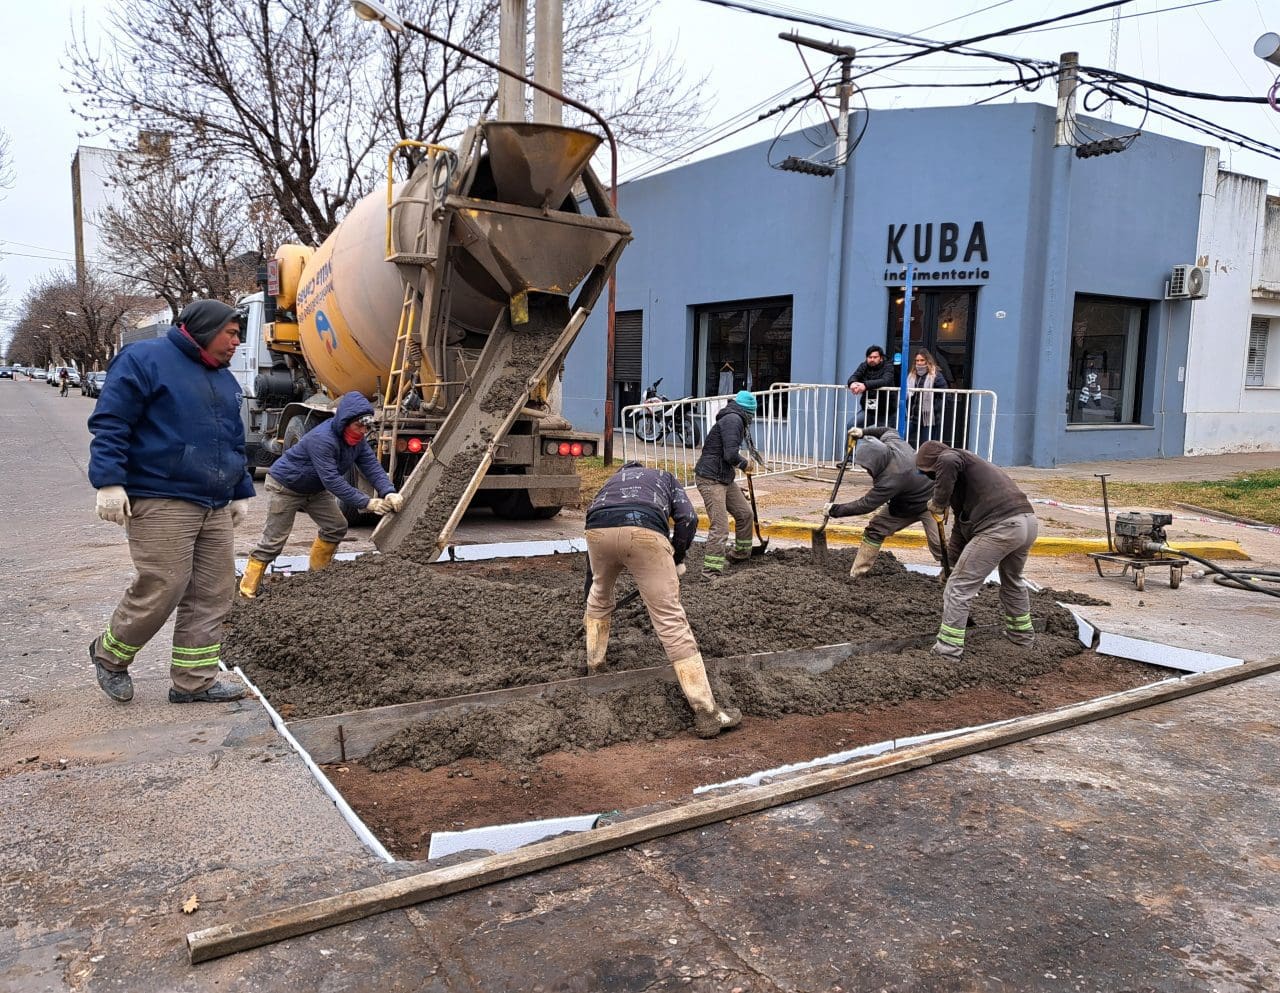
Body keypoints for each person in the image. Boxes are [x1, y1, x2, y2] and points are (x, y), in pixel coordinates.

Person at [88, 299, 253, 704]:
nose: (236, 342)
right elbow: (112, 423)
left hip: (213, 501)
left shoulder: (224, 380)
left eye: (238, 335)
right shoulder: (145, 359)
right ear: (203, 328)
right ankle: (109, 655)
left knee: (213, 591)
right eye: (230, 333)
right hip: (161, 496)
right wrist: (109, 482)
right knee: (165, 584)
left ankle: (193, 681)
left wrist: (241, 490)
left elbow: (232, 440)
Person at [583, 461, 742, 738]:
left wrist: (592, 588)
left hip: (597, 532)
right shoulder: (664, 478)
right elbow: (689, 519)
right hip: (644, 533)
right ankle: (707, 711)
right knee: (669, 619)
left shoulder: (610, 484)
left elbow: (593, 528)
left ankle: (595, 667)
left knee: (598, 599)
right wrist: (677, 556)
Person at [238, 391, 403, 597]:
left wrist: (389, 492)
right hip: (286, 487)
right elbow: (332, 480)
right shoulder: (323, 439)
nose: (362, 431)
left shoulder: (357, 441)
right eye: (358, 426)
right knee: (274, 541)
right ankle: (248, 589)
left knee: (336, 526)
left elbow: (371, 466)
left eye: (366, 427)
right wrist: (367, 502)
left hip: (313, 489)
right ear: (345, 421)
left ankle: (317, 577)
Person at [915, 441, 1038, 659]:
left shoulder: (952, 457)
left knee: (958, 588)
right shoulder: (970, 479)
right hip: (1026, 523)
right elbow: (962, 526)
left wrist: (938, 501)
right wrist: (950, 564)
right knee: (1013, 581)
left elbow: (947, 459)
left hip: (1000, 527)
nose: (930, 479)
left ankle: (947, 652)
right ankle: (1022, 638)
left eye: (929, 474)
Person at [825, 425, 944, 579]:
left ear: (876, 463)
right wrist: (863, 432)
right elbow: (887, 430)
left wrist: (834, 510)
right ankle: (858, 574)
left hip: (930, 503)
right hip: (904, 505)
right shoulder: (893, 443)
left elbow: (866, 504)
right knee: (876, 529)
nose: (867, 471)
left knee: (940, 543)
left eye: (868, 467)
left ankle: (955, 579)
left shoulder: (891, 478)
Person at [693, 389, 758, 576]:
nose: (752, 418)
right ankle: (711, 571)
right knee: (720, 527)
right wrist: (744, 464)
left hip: (723, 477)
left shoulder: (735, 418)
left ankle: (740, 555)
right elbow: (730, 454)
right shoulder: (733, 420)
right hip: (710, 478)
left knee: (745, 514)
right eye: (752, 414)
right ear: (748, 411)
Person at [846, 345, 895, 429]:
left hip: (886, 410)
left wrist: (865, 385)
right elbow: (855, 376)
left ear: (881, 358)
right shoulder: (864, 366)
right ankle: (850, 443)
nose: (872, 359)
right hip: (868, 409)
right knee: (851, 426)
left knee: (883, 435)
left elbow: (886, 380)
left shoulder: (888, 366)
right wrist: (852, 383)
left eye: (875, 357)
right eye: (870, 357)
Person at [906, 350, 948, 446]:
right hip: (913, 416)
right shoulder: (911, 375)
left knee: (926, 446)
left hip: (929, 418)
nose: (919, 363)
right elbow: (907, 394)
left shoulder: (935, 375)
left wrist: (935, 408)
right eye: (917, 360)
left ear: (927, 361)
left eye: (922, 360)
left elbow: (945, 395)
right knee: (900, 437)